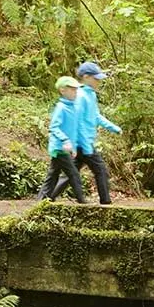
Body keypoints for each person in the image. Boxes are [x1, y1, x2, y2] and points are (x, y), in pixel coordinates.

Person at [52, 61, 121, 205]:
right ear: (86, 77)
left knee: (71, 173)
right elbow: (78, 121)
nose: (98, 81)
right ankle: (106, 202)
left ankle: (49, 197)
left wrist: (112, 127)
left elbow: (95, 116)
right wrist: (84, 144)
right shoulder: (81, 95)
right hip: (83, 142)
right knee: (100, 170)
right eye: (96, 78)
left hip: (83, 142)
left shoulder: (91, 95)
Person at [37, 76, 86, 204]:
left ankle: (41, 202)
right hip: (58, 148)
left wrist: (73, 146)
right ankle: (82, 201)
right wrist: (65, 140)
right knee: (73, 174)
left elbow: (72, 131)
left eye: (76, 89)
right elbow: (54, 127)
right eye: (72, 89)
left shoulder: (72, 108)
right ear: (63, 91)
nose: (75, 92)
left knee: (52, 176)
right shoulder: (61, 108)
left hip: (64, 147)